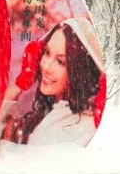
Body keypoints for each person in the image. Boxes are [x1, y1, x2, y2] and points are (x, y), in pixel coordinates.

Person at [8, 15, 106, 145]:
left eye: (60, 61)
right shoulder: (50, 108)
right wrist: (19, 85)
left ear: (79, 70)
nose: (46, 67)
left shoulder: (81, 127)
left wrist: (16, 89)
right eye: (46, 52)